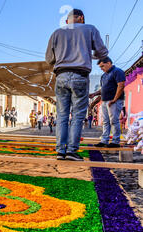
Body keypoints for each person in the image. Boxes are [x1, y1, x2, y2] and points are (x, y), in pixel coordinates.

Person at [46, 8, 108, 161]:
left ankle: (60, 151)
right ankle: (71, 151)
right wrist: (88, 53)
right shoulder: (90, 29)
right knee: (78, 115)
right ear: (81, 18)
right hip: (80, 75)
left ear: (67, 20)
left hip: (61, 76)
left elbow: (49, 59)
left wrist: (63, 56)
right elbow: (103, 53)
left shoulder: (56, 33)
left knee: (61, 115)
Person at [90, 57, 126, 148]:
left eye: (103, 66)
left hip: (114, 101)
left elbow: (121, 86)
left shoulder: (117, 71)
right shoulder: (104, 75)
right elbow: (103, 89)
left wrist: (114, 99)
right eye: (100, 67)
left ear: (109, 63)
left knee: (114, 121)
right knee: (105, 122)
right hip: (105, 101)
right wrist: (94, 94)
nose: (101, 68)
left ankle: (115, 141)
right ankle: (104, 140)